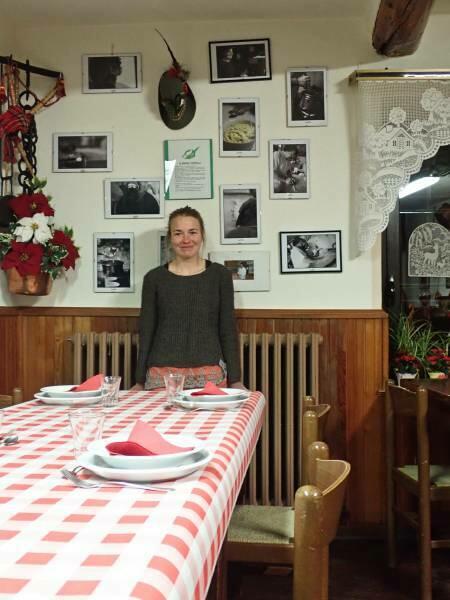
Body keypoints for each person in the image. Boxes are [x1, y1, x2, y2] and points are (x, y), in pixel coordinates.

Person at [132, 206, 246, 391]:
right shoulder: (154, 279)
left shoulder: (220, 276)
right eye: (178, 233)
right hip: (162, 376)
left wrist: (235, 379)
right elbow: (146, 331)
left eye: (192, 232)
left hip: (209, 374)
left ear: (202, 235)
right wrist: (139, 381)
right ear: (170, 238)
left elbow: (227, 329)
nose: (186, 240)